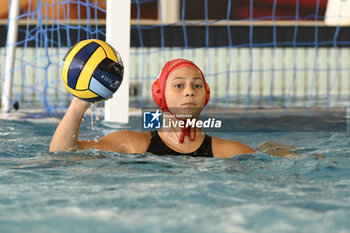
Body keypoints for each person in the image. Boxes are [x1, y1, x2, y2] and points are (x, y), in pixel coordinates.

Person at [50, 58, 255, 158]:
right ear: (159, 94)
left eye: (197, 85)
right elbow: (63, 154)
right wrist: (80, 101)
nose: (189, 91)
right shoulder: (130, 144)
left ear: (206, 94)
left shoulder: (229, 152)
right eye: (178, 85)